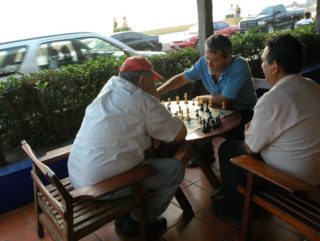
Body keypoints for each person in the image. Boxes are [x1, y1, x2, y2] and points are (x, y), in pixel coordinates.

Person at [68, 56, 187, 238]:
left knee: (146, 159)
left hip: (77, 177)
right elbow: (180, 134)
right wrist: (154, 100)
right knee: (175, 169)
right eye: (152, 83)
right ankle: (139, 221)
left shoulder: (110, 88)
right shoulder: (144, 101)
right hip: (101, 188)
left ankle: (128, 214)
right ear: (143, 81)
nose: (154, 87)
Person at [213, 34, 320, 221]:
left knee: (229, 148)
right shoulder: (312, 86)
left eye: (263, 61)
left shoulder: (273, 98)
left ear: (275, 66)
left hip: (292, 182)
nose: (262, 66)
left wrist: (249, 131)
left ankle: (236, 208)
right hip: (316, 171)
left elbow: (250, 147)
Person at [157, 34, 257, 165]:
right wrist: (158, 91)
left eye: (215, 60)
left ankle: (238, 167)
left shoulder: (239, 65)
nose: (209, 63)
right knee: (199, 121)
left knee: (231, 147)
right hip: (220, 108)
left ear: (228, 58)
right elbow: (182, 78)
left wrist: (200, 98)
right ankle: (205, 155)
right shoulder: (204, 63)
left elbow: (225, 100)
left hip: (244, 112)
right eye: (207, 58)